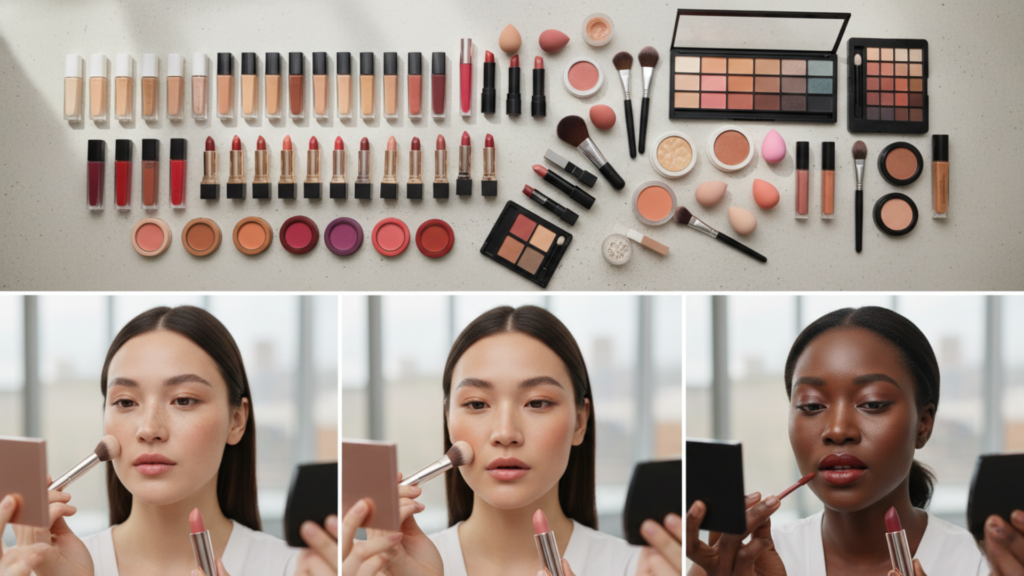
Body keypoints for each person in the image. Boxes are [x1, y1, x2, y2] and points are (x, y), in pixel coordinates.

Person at [342, 305, 683, 576]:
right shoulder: (395, 569)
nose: (505, 433)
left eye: (537, 403)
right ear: (448, 420)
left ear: (580, 422)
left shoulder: (639, 569)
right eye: (477, 404)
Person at [685, 306, 1024, 576]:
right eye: (812, 405)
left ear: (924, 423)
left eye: (873, 403)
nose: (837, 430)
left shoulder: (984, 565)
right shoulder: (736, 564)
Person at [0, 306, 338, 576]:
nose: (149, 429)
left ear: (237, 420)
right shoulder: (44, 570)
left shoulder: (299, 569)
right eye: (126, 402)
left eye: (184, 400)